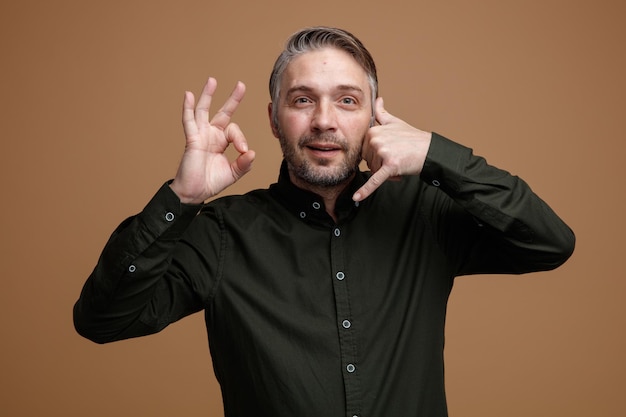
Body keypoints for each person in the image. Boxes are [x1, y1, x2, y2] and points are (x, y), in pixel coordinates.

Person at [74, 26, 575, 417]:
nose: (324, 120)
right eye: (303, 99)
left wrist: (436, 154)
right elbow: (102, 320)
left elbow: (549, 242)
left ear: (373, 118)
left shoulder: (425, 213)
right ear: (274, 119)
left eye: (347, 100)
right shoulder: (222, 233)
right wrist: (181, 198)